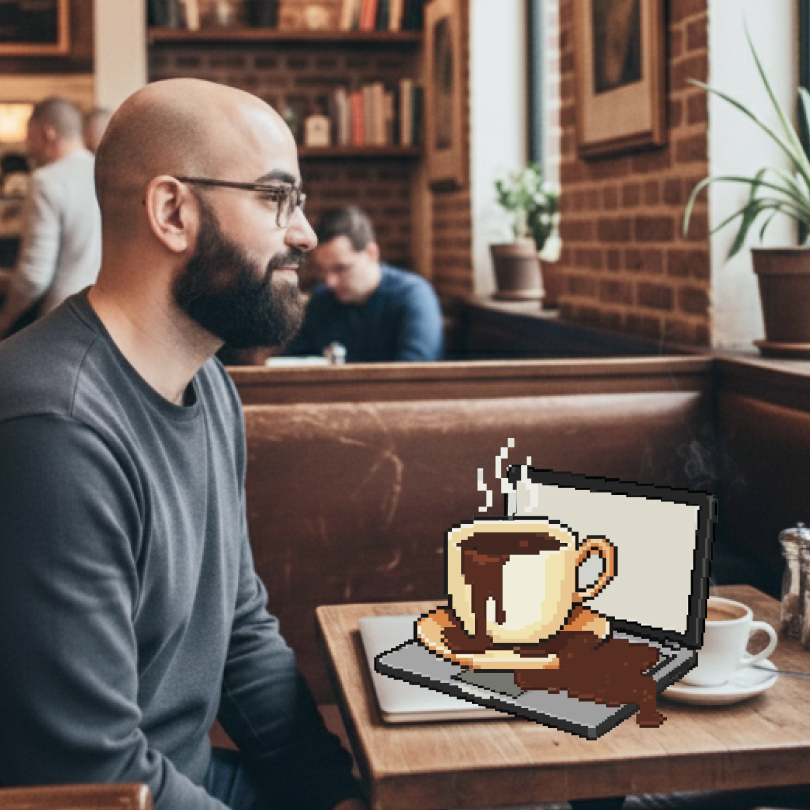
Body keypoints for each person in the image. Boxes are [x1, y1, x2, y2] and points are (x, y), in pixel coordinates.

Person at [0, 78, 366, 810]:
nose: (304, 234)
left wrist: (338, 798)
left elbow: (238, 635)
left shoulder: (209, 383)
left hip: (182, 784)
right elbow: (89, 775)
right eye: (276, 198)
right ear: (173, 211)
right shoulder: (54, 428)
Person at [285, 205, 443, 362]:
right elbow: (296, 362)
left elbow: (414, 374)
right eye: (322, 270)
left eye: (340, 268)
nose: (330, 282)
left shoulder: (414, 296)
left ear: (371, 253)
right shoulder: (322, 299)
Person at [0, 97, 101, 338]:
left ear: (47, 132)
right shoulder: (103, 171)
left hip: (61, 319)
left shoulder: (47, 180)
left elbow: (34, 277)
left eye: (29, 135)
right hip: (104, 314)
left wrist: (4, 321)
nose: (27, 145)